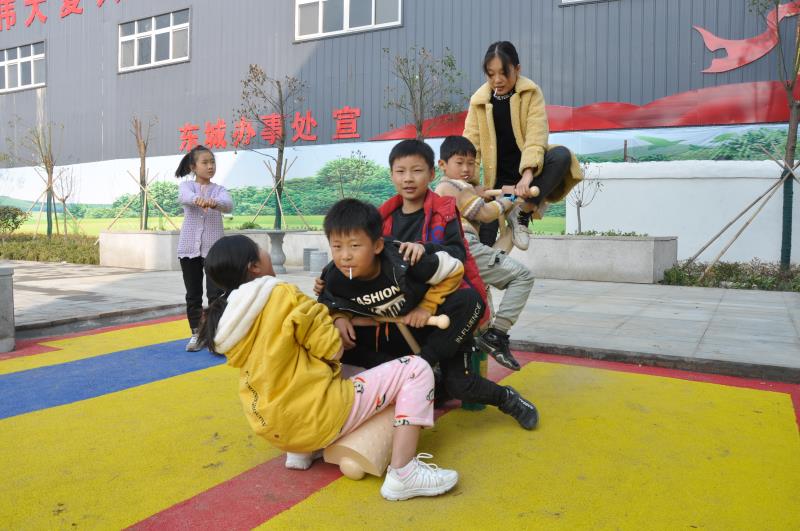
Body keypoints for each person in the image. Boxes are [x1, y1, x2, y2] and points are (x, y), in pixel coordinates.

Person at [198, 234, 459, 501]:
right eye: (259, 249)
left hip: (273, 428)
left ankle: (301, 453)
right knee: (416, 369)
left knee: (343, 371)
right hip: (316, 418)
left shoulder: (228, 319)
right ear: (254, 266)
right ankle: (404, 474)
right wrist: (335, 319)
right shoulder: (282, 295)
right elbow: (333, 349)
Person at [318, 199, 538, 431]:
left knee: (460, 382)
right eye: (337, 247)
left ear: (377, 246)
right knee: (340, 346)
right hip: (403, 332)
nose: (345, 256)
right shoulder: (334, 276)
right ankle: (426, 379)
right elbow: (327, 302)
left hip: (442, 330)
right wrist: (338, 317)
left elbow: (455, 268)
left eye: (354, 246)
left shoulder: (405, 260)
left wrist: (427, 307)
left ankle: (507, 398)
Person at [463, 41, 583, 250]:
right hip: (498, 185)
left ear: (517, 69)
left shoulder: (531, 93)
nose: (497, 80)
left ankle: (523, 212)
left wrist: (527, 176)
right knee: (483, 243)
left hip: (528, 179)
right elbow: (471, 145)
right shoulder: (479, 101)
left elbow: (536, 135)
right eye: (491, 74)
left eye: (504, 73)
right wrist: (472, 185)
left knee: (562, 156)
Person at [434, 136, 535, 371]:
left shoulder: (460, 188)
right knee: (523, 277)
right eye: (460, 163)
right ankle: (497, 335)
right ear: (442, 165)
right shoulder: (451, 186)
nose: (466, 169)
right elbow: (486, 214)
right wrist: (510, 198)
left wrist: (479, 193)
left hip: (461, 248)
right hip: (466, 245)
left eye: (471, 163)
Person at [175, 145, 233, 352]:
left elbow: (228, 204)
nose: (210, 166)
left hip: (214, 251)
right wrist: (197, 199)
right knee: (193, 295)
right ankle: (196, 334)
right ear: (193, 167)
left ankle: (215, 334)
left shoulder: (219, 190)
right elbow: (184, 197)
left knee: (216, 294)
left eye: (212, 162)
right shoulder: (187, 187)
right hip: (188, 249)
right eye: (205, 162)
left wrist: (213, 203)